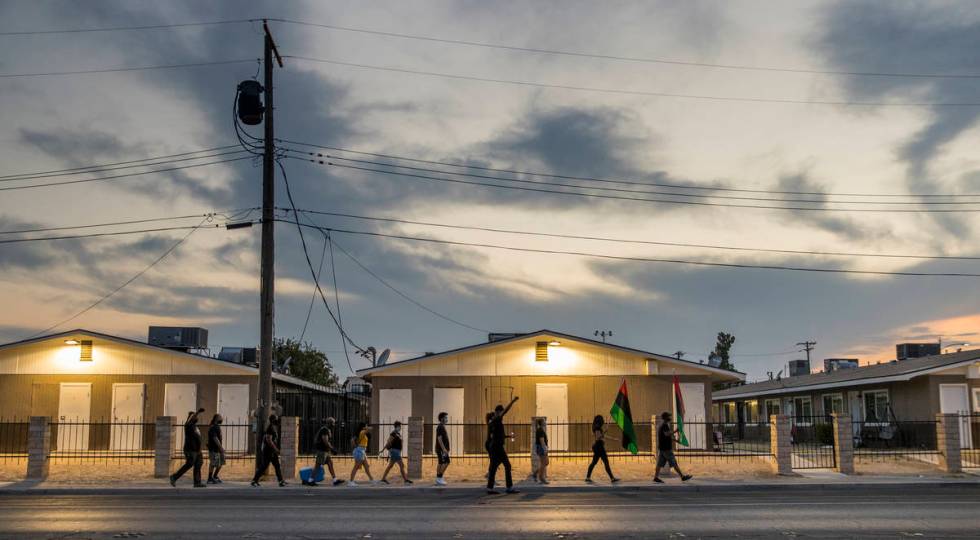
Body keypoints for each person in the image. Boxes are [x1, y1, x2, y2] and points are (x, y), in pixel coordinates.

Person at [486, 396, 520, 495]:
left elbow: (496, 435)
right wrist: (513, 401)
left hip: (494, 446)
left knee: (493, 467)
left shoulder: (493, 422)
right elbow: (505, 410)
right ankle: (509, 487)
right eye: (501, 412)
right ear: (497, 412)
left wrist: (508, 436)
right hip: (498, 447)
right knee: (507, 465)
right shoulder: (497, 419)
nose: (502, 414)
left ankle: (490, 488)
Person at [170, 408, 206, 488]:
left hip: (197, 450)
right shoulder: (188, 426)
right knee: (189, 464)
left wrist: (199, 449)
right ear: (191, 418)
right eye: (194, 417)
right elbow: (190, 420)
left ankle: (197, 482)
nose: (196, 418)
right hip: (191, 449)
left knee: (198, 464)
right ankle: (174, 477)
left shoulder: (193, 426)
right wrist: (197, 412)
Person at [654, 411, 693, 483]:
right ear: (665, 418)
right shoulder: (664, 426)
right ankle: (682, 476)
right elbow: (667, 434)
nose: (670, 418)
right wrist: (676, 430)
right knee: (674, 463)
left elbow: (667, 436)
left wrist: (675, 440)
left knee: (659, 464)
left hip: (663, 448)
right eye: (668, 416)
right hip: (666, 449)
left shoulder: (664, 425)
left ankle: (656, 477)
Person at [251, 414, 287, 487]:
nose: (277, 420)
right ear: (273, 420)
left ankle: (281, 480)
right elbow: (269, 440)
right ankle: (254, 480)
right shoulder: (270, 428)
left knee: (277, 466)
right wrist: (276, 449)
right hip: (268, 451)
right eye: (276, 419)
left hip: (272, 451)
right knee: (264, 466)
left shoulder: (274, 428)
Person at [307, 417, 344, 487]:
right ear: (329, 423)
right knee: (317, 465)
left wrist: (330, 449)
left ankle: (335, 480)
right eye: (333, 423)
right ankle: (310, 480)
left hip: (325, 451)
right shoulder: (325, 430)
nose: (334, 425)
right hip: (322, 450)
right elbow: (325, 441)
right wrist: (332, 449)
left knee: (330, 463)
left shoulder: (327, 429)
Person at [585, 415, 620, 483]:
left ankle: (587, 477)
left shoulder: (596, 428)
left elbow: (603, 436)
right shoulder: (597, 428)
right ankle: (612, 478)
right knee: (605, 462)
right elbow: (598, 437)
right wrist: (605, 431)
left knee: (594, 462)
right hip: (599, 447)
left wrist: (613, 439)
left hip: (598, 447)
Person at [348, 422, 374, 486]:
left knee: (366, 466)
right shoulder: (362, 432)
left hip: (362, 451)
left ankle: (372, 480)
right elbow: (370, 429)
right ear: (363, 427)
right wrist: (366, 427)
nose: (367, 426)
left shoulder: (362, 432)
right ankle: (351, 481)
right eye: (366, 425)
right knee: (356, 466)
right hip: (360, 450)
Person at [206, 413, 225, 485]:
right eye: (221, 417)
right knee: (213, 464)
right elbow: (215, 438)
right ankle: (210, 478)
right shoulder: (214, 427)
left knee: (220, 463)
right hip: (214, 449)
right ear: (217, 419)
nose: (222, 419)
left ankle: (215, 476)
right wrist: (221, 448)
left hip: (218, 449)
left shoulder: (217, 427)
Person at [435, 412, 451, 486]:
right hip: (442, 450)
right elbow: (439, 439)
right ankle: (439, 477)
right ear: (442, 419)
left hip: (442, 449)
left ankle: (438, 478)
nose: (447, 419)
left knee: (441, 463)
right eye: (446, 418)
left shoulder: (442, 426)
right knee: (447, 462)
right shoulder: (440, 427)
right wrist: (444, 449)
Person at [533, 418, 549, 484]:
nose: (545, 422)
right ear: (542, 423)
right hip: (541, 448)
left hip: (541, 448)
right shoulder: (540, 430)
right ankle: (541, 478)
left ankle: (535, 473)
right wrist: (545, 449)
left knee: (546, 462)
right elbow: (542, 441)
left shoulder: (540, 430)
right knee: (544, 463)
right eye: (544, 421)